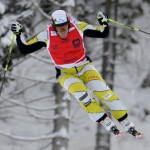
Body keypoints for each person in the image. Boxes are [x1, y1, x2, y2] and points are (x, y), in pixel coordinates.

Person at [11, 10, 143, 138]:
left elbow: (103, 33)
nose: (63, 31)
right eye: (59, 28)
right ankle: (105, 121)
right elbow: (25, 48)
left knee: (103, 91)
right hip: (65, 74)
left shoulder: (78, 27)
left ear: (69, 23)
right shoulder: (46, 35)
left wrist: (103, 22)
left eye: (65, 27)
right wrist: (18, 34)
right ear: (53, 26)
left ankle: (126, 122)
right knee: (82, 94)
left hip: (84, 67)